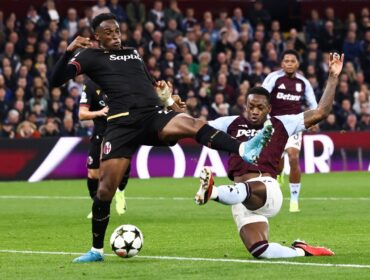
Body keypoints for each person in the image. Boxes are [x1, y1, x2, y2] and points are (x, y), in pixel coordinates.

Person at [49, 13, 272, 263]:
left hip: (151, 115)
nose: (115, 36)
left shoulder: (133, 53)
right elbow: (54, 80)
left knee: (192, 123)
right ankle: (96, 251)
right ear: (97, 36)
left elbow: (151, 86)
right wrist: (68, 50)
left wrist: (168, 100)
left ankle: (243, 149)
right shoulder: (89, 56)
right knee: (105, 190)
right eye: (108, 32)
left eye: (118, 31)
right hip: (120, 124)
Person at [194, 53, 344, 258]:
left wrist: (333, 77)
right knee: (260, 251)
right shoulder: (230, 123)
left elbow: (320, 112)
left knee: (244, 189)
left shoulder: (282, 123)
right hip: (239, 198)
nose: (254, 111)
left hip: (267, 191)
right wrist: (172, 106)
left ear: (269, 108)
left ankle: (212, 192)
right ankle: (302, 251)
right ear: (245, 106)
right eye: (250, 107)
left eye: (260, 107)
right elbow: (195, 127)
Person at [262, 49, 318, 212]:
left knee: (293, 157)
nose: (289, 64)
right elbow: (262, 96)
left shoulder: (303, 83)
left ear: (297, 64)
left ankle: (294, 200)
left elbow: (313, 103)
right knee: (276, 161)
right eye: (286, 61)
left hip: (294, 125)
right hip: (274, 125)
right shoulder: (274, 78)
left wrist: (315, 119)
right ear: (282, 64)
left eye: (292, 61)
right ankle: (278, 174)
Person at [78, 79, 130, 218]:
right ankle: (97, 207)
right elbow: (82, 115)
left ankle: (120, 192)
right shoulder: (90, 85)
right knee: (93, 174)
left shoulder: (120, 80)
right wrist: (99, 112)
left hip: (119, 132)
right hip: (100, 132)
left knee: (121, 167)